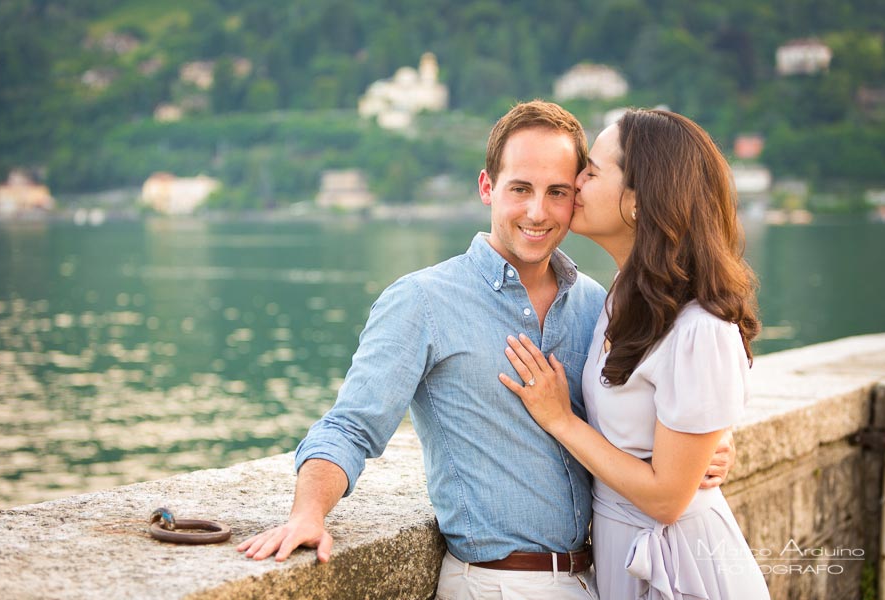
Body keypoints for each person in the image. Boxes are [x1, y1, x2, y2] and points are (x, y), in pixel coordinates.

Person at [237, 101, 734, 599]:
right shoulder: (422, 301)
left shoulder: (597, 305)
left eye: (557, 192)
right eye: (520, 189)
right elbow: (349, 427)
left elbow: (644, 412)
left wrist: (706, 449)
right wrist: (307, 513)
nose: (537, 212)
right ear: (486, 187)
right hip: (497, 585)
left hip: (600, 578)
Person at [500, 108, 769, 599]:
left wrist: (561, 420)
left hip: (682, 565)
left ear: (640, 202)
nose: (574, 182)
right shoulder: (621, 297)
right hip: (622, 552)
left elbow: (667, 499)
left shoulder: (699, 327)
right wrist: (708, 443)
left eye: (592, 171)